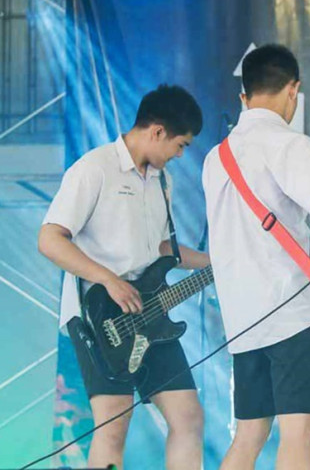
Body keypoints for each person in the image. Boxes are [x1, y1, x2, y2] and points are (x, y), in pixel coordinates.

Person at [38, 84, 209, 470]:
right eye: (180, 145)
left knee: (188, 418)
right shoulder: (94, 168)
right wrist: (108, 280)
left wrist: (218, 262)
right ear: (158, 131)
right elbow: (49, 238)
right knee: (113, 427)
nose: (180, 155)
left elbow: (163, 249)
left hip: (151, 314)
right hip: (100, 316)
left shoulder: (162, 180)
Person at [203, 44, 310, 470]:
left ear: (244, 96)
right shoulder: (288, 144)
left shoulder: (216, 157)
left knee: (249, 433)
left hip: (242, 317)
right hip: (289, 311)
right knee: (300, 433)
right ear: (293, 90)